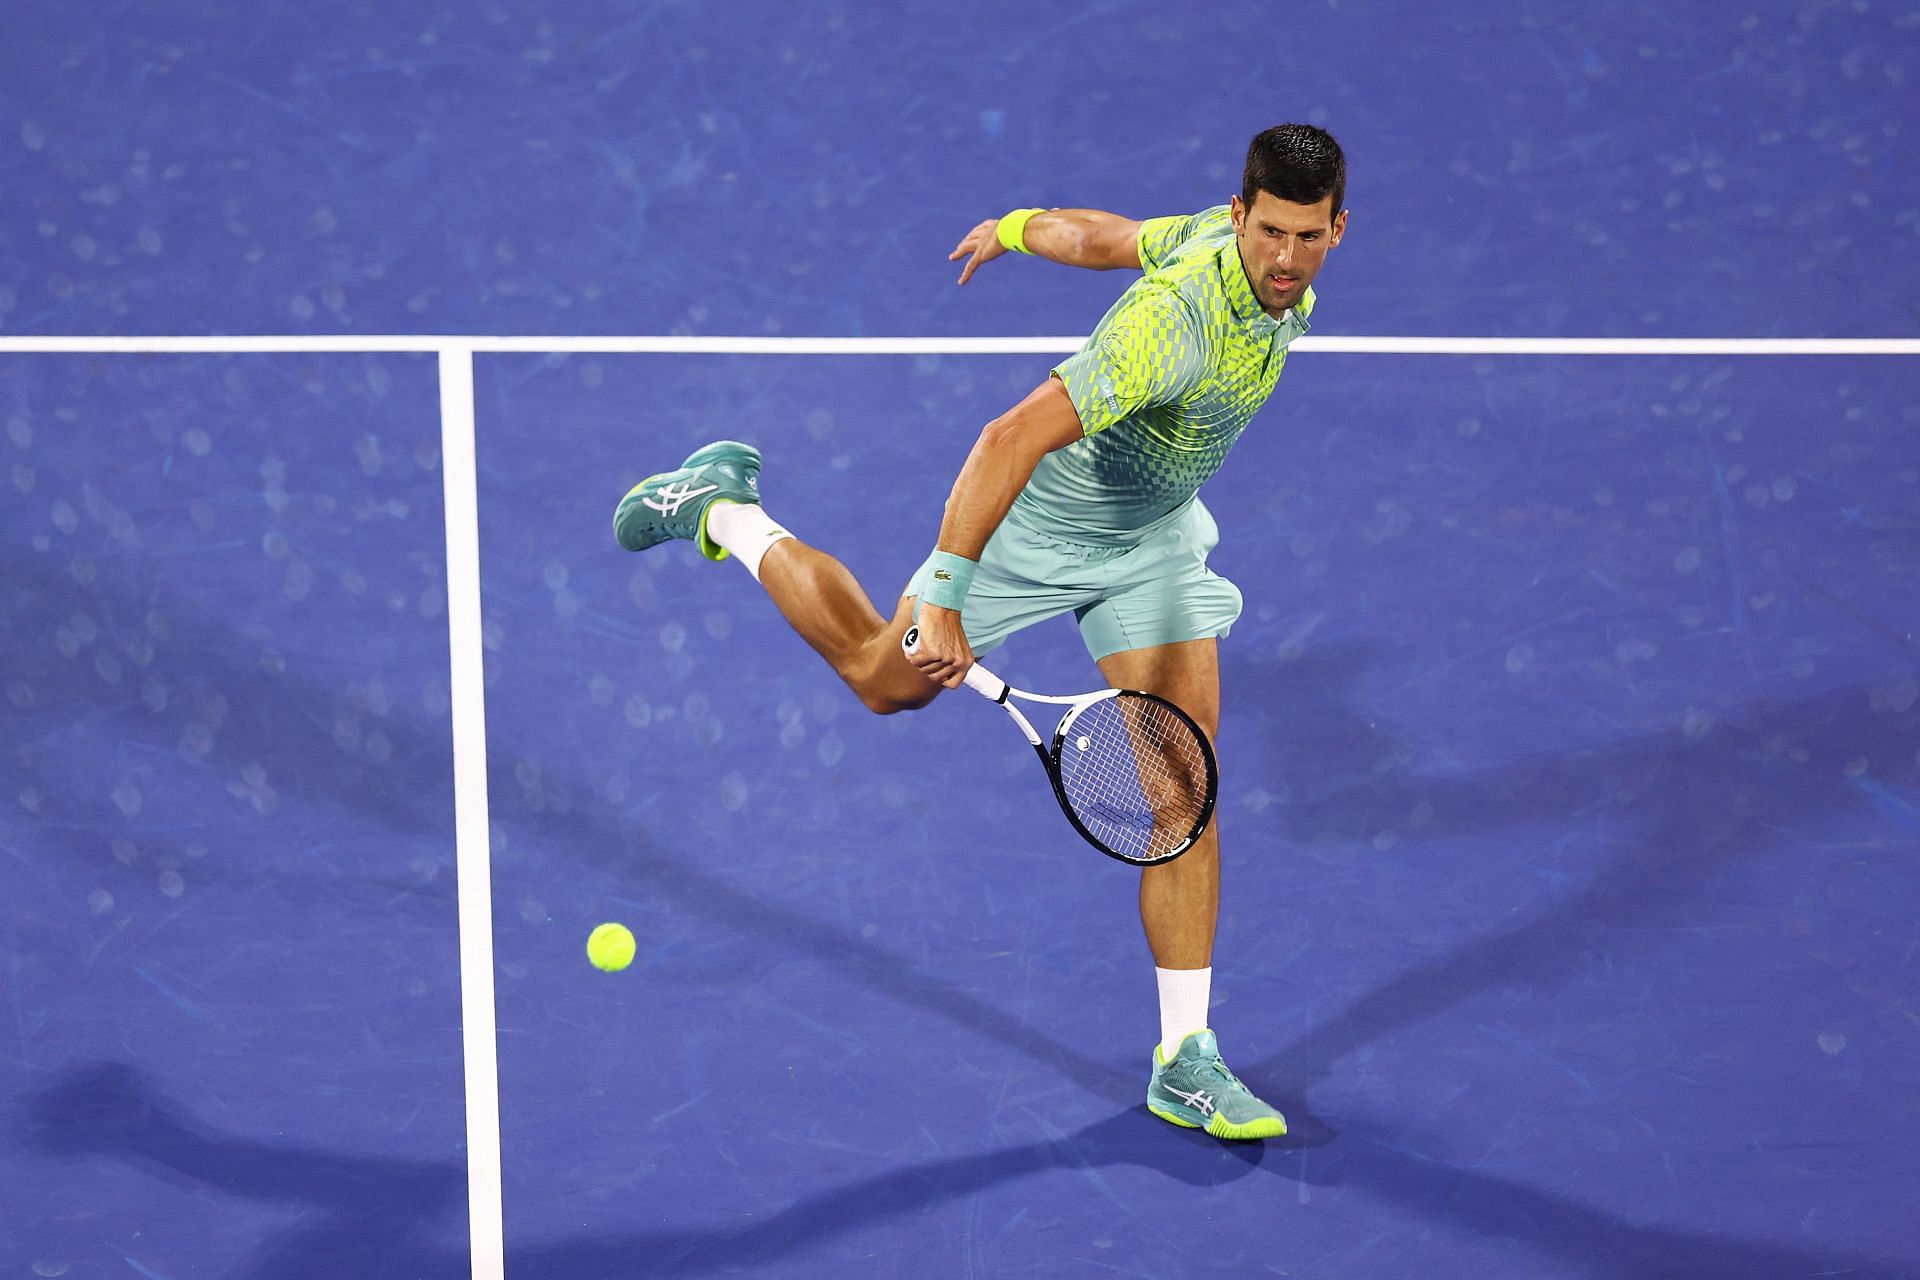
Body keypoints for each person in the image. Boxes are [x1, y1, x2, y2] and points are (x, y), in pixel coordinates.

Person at [615, 124, 1347, 1141]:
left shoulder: (1240, 261)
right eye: (1270, 233)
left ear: (1335, 229)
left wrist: (1013, 228)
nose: (1284, 260)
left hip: (1152, 539)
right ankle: (724, 508)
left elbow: (1113, 236)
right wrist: (951, 594)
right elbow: (1006, 436)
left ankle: (1186, 1058)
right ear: (1241, 216)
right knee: (886, 678)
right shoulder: (1171, 325)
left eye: (1306, 238)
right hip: (1037, 529)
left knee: (1182, 789)